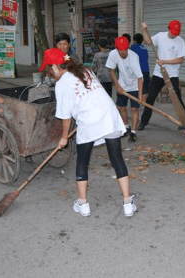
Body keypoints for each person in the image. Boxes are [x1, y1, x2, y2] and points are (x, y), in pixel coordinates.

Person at [39, 48, 137, 218]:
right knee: (117, 159)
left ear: (54, 67)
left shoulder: (62, 84)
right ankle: (128, 203)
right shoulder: (84, 70)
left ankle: (83, 204)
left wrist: (64, 138)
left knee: (82, 161)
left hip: (90, 122)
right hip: (109, 116)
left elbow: (65, 117)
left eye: (49, 70)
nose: (49, 74)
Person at [137, 20, 185, 131]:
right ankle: (144, 121)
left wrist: (164, 62)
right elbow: (148, 41)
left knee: (177, 98)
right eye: (173, 31)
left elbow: (180, 60)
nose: (175, 34)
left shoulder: (180, 41)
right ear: (168, 28)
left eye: (177, 32)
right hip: (158, 74)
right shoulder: (160, 36)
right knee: (150, 98)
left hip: (172, 75)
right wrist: (144, 30)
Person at [106, 36, 143, 143]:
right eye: (120, 50)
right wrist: (118, 86)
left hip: (135, 86)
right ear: (117, 48)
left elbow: (140, 78)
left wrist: (140, 97)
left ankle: (133, 133)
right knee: (121, 107)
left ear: (128, 47)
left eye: (125, 49)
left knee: (134, 109)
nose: (123, 52)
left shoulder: (134, 57)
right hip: (122, 85)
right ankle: (126, 128)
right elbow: (112, 70)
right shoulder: (113, 54)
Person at [130, 33, 150, 102]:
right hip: (146, 69)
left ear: (134, 40)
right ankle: (145, 102)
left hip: (139, 70)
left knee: (138, 86)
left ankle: (140, 101)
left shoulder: (133, 48)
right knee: (146, 87)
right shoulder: (144, 48)